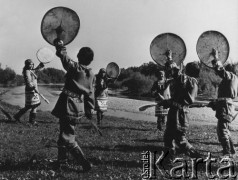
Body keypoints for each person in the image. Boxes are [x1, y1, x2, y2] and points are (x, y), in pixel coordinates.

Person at [52, 39, 95, 172]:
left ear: (78, 56)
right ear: (91, 60)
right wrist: (89, 111)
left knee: (67, 137)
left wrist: (60, 44)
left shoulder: (74, 67)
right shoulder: (92, 74)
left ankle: (84, 163)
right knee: (63, 134)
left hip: (67, 105)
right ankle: (61, 162)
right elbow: (91, 94)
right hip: (78, 106)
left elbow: (63, 56)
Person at [160, 60, 201, 164]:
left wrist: (169, 58)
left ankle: (197, 157)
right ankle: (168, 159)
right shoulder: (185, 81)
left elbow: (189, 100)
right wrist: (167, 102)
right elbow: (177, 99)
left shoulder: (191, 81)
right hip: (176, 113)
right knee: (168, 136)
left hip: (180, 115)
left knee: (180, 139)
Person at [208, 49, 238, 158]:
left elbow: (220, 69)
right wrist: (215, 103)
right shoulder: (235, 79)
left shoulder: (229, 76)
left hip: (225, 106)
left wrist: (216, 57)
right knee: (224, 128)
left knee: (222, 129)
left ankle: (227, 152)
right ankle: (232, 150)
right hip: (227, 106)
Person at [13, 59, 44, 125]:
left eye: (32, 64)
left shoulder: (30, 70)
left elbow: (35, 70)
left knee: (31, 106)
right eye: (30, 64)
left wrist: (40, 66)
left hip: (32, 90)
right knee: (32, 106)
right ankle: (31, 121)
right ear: (27, 65)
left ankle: (18, 116)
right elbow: (28, 81)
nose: (32, 65)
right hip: (31, 90)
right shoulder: (27, 71)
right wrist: (33, 88)